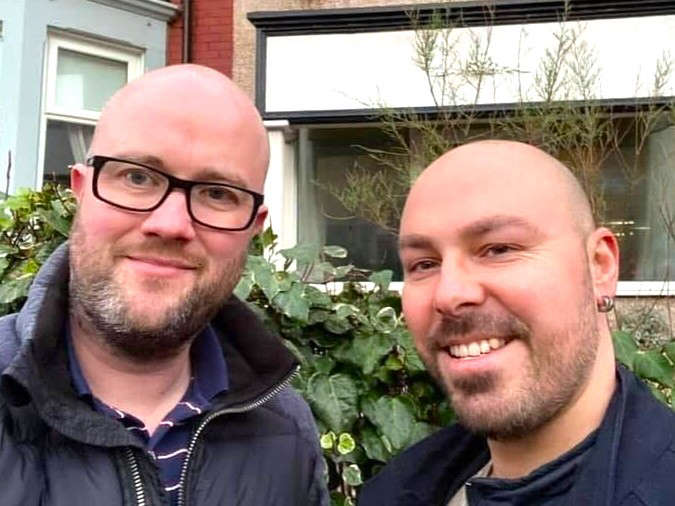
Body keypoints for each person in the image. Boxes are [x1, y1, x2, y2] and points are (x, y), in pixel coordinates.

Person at [0, 64, 328, 506]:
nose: (170, 224)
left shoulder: (286, 431)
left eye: (217, 193)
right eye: (137, 177)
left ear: (254, 226)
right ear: (81, 190)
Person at [359, 140, 675, 505]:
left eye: (499, 249)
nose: (449, 294)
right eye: (424, 264)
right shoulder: (396, 490)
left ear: (599, 267)